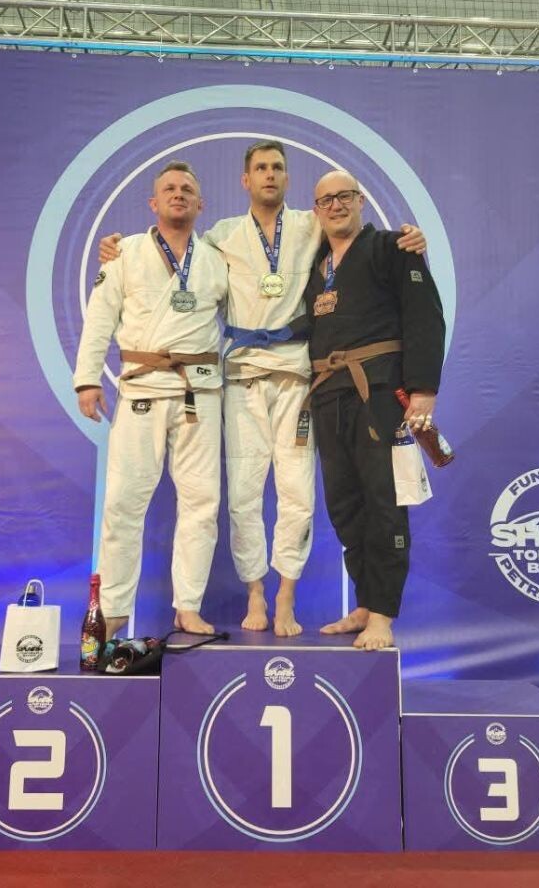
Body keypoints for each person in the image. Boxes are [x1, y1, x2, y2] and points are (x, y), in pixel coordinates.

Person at [98, 142, 426, 637]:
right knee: (244, 495)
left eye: (277, 167)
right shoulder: (221, 236)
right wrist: (118, 249)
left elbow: (353, 232)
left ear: (288, 179)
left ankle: (286, 596)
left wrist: (409, 239)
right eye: (260, 168)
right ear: (245, 180)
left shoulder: (311, 225)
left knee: (297, 493)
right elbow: (176, 251)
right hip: (241, 377)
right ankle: (256, 592)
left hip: (296, 376)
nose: (269, 174)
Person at [75, 161, 228, 640]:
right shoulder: (124, 252)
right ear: (153, 202)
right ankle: (114, 608)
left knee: (202, 502)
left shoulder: (217, 259)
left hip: (199, 391)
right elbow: (100, 317)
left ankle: (189, 606)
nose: (178, 194)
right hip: (141, 386)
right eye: (169, 189)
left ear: (200, 204)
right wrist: (87, 380)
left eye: (187, 189)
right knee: (124, 502)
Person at [304, 169, 445, 650]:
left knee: (384, 502)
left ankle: (383, 614)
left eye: (344, 196)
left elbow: (425, 315)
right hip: (328, 394)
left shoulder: (393, 247)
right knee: (344, 506)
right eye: (326, 199)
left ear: (361, 200)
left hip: (379, 394)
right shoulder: (317, 265)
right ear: (316, 210)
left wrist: (422, 390)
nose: (336, 205)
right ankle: (365, 602)